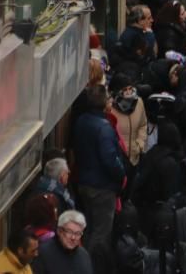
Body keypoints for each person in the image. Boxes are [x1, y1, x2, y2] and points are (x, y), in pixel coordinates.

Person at [71, 85, 125, 270]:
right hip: (102, 187)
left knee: (90, 228)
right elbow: (110, 160)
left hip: (84, 182)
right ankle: (92, 267)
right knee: (101, 233)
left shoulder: (81, 121)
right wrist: (121, 173)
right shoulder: (104, 128)